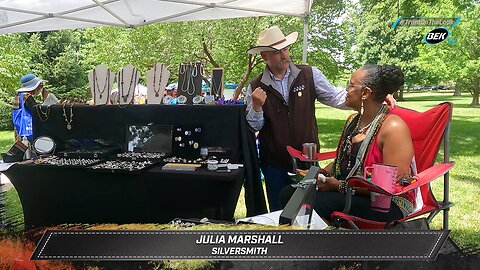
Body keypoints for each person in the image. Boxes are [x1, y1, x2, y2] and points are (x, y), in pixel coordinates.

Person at [245, 26, 395, 211]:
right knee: (280, 213)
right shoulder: (255, 87)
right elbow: (253, 126)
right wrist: (257, 106)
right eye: (277, 52)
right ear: (264, 57)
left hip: (308, 161)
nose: (284, 55)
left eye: (285, 48)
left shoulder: (309, 74)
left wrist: (375, 97)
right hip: (274, 163)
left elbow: (336, 97)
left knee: (309, 212)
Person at [280, 64, 418, 222]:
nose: (346, 89)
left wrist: (339, 186)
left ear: (365, 93)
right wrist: (320, 175)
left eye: (351, 85)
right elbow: (342, 161)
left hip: (385, 203)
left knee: (313, 203)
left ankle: (330, 244)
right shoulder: (353, 121)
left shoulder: (393, 127)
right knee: (288, 194)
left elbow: (390, 187)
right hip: (349, 192)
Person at [13, 74, 58, 140]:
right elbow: (37, 112)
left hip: (19, 130)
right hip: (28, 132)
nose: (41, 88)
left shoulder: (18, 96)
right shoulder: (27, 96)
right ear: (35, 86)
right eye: (40, 85)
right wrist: (45, 99)